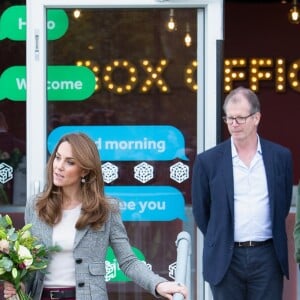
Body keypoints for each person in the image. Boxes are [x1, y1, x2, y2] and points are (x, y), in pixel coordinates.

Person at [3, 133, 187, 300]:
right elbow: (30, 263)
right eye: (57, 158)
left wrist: (158, 284)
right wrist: (19, 283)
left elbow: (128, 261)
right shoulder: (36, 205)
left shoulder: (106, 209)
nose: (58, 166)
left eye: (70, 162)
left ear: (84, 170)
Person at [192, 86, 293, 300]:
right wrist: (221, 236)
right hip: (226, 258)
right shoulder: (208, 161)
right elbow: (202, 212)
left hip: (267, 256)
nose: (234, 124)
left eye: (240, 118)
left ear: (256, 118)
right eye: (229, 118)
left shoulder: (280, 157)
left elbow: (281, 206)